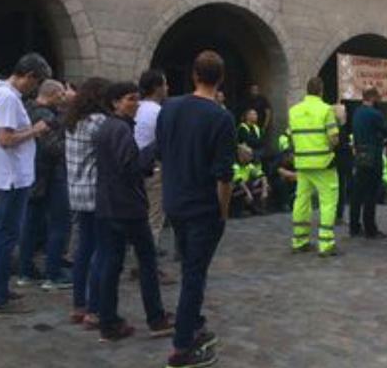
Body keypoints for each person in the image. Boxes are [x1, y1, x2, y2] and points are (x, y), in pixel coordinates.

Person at [157, 51, 236, 368]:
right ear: (220, 79)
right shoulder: (220, 117)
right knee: (194, 274)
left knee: (190, 265)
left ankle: (192, 322)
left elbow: (162, 152)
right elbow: (224, 175)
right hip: (202, 206)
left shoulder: (170, 107)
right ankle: (182, 347)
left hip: (175, 201)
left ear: (193, 75)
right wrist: (224, 211)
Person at [95, 82, 174, 342]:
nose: (136, 103)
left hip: (109, 205)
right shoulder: (118, 128)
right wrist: (155, 148)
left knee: (112, 263)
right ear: (115, 103)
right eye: (130, 99)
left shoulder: (109, 127)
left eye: (137, 98)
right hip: (127, 206)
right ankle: (156, 318)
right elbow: (130, 167)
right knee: (147, 262)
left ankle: (108, 322)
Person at [0, 53, 53, 316]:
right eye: (36, 83)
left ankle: (0, 290)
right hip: (11, 176)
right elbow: (5, 139)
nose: (34, 89)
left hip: (5, 174)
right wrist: (36, 129)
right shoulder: (8, 98)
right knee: (5, 235)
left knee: (3, 233)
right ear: (29, 76)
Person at [17, 80, 71, 290]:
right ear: (54, 94)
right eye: (61, 95)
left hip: (31, 173)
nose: (63, 98)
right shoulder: (46, 115)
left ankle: (26, 270)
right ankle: (53, 273)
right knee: (59, 223)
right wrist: (71, 144)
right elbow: (52, 148)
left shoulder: (26, 108)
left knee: (31, 224)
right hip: (50, 175)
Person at [66, 77, 110, 327]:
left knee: (84, 248)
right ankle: (94, 309)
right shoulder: (98, 123)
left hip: (76, 192)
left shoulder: (73, 122)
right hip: (96, 192)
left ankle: (78, 305)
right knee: (101, 250)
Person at [287, 77, 340, 255]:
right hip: (323, 162)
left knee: (301, 200)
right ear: (321, 90)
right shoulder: (326, 110)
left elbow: (290, 136)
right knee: (328, 201)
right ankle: (325, 244)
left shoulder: (294, 111)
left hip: (302, 162)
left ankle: (299, 240)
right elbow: (333, 138)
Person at [134, 69, 169, 250]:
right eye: (164, 84)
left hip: (133, 165)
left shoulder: (136, 107)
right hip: (153, 168)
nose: (167, 88)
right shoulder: (159, 112)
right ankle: (148, 264)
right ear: (157, 87)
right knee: (154, 216)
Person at [351, 87, 387, 238]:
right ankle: (370, 228)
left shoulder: (357, 112)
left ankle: (354, 227)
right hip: (373, 156)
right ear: (372, 98)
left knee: (357, 193)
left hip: (359, 155)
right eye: (378, 97)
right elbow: (386, 131)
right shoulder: (375, 114)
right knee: (371, 194)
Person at [231, 145, 268, 217]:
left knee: (262, 185)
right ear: (242, 155)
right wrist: (248, 193)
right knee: (243, 189)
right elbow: (239, 181)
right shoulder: (234, 165)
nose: (251, 157)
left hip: (246, 186)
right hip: (235, 189)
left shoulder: (249, 165)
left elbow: (262, 175)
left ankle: (256, 208)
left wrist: (264, 191)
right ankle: (237, 211)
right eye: (249, 155)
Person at [333, 104, 353, 225]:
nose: (346, 114)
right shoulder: (338, 129)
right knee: (339, 189)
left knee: (340, 189)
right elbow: (340, 146)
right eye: (344, 112)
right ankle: (338, 215)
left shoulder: (342, 128)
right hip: (340, 163)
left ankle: (338, 214)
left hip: (341, 163)